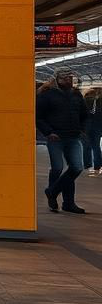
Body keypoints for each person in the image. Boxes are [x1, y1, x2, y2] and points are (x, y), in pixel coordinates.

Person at [37, 69, 89, 213]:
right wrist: (49, 132)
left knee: (77, 167)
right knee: (57, 168)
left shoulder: (76, 94)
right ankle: (55, 200)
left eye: (71, 78)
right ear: (57, 80)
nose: (69, 80)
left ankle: (56, 194)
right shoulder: (47, 95)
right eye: (66, 78)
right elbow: (38, 117)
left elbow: (84, 114)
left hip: (73, 136)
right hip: (56, 137)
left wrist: (82, 129)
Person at [86, 88, 102, 176]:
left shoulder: (91, 101)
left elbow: (88, 113)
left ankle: (96, 167)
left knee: (92, 146)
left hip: (91, 126)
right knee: (95, 146)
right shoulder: (94, 101)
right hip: (97, 126)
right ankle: (97, 166)